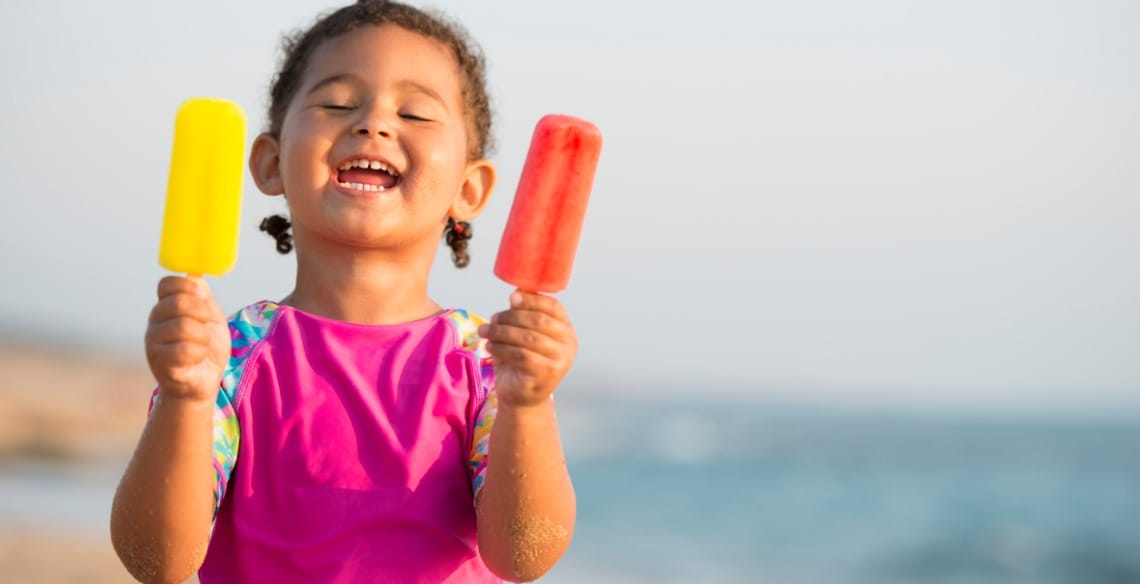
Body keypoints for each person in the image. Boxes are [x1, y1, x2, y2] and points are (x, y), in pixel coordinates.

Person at [110, 2, 577, 582]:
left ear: (470, 187)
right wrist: (185, 399)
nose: (374, 123)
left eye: (415, 113)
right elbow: (156, 561)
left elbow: (524, 556)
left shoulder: (488, 364)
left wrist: (528, 406)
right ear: (272, 162)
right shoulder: (222, 357)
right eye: (336, 103)